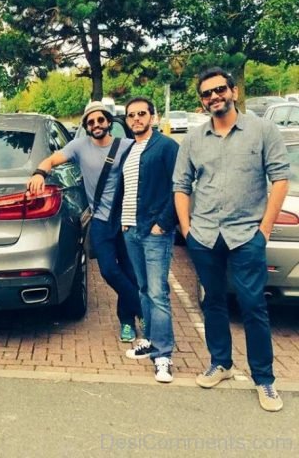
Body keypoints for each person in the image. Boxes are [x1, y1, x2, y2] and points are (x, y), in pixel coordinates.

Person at [173, 67, 289, 411]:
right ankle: (220, 363)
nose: (214, 97)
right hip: (205, 236)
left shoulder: (262, 130)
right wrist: (187, 229)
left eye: (219, 90)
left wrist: (264, 231)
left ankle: (264, 380)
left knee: (253, 306)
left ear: (233, 91)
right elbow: (181, 186)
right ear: (201, 101)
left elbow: (280, 179)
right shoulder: (194, 139)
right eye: (207, 94)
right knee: (213, 302)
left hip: (246, 236)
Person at [27, 101, 142, 341]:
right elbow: (50, 161)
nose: (96, 125)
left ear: (109, 122)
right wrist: (39, 174)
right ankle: (143, 305)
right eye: (90, 122)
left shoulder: (128, 146)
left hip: (127, 220)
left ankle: (127, 322)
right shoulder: (78, 146)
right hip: (100, 220)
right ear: (86, 126)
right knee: (110, 271)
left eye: (100, 120)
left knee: (130, 272)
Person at [121, 97, 179, 383]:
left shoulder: (166, 147)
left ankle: (164, 354)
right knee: (143, 289)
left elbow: (181, 186)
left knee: (158, 293)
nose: (136, 119)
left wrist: (163, 224)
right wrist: (123, 222)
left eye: (141, 114)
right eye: (131, 115)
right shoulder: (129, 150)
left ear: (153, 117)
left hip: (155, 231)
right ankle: (150, 340)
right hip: (131, 229)